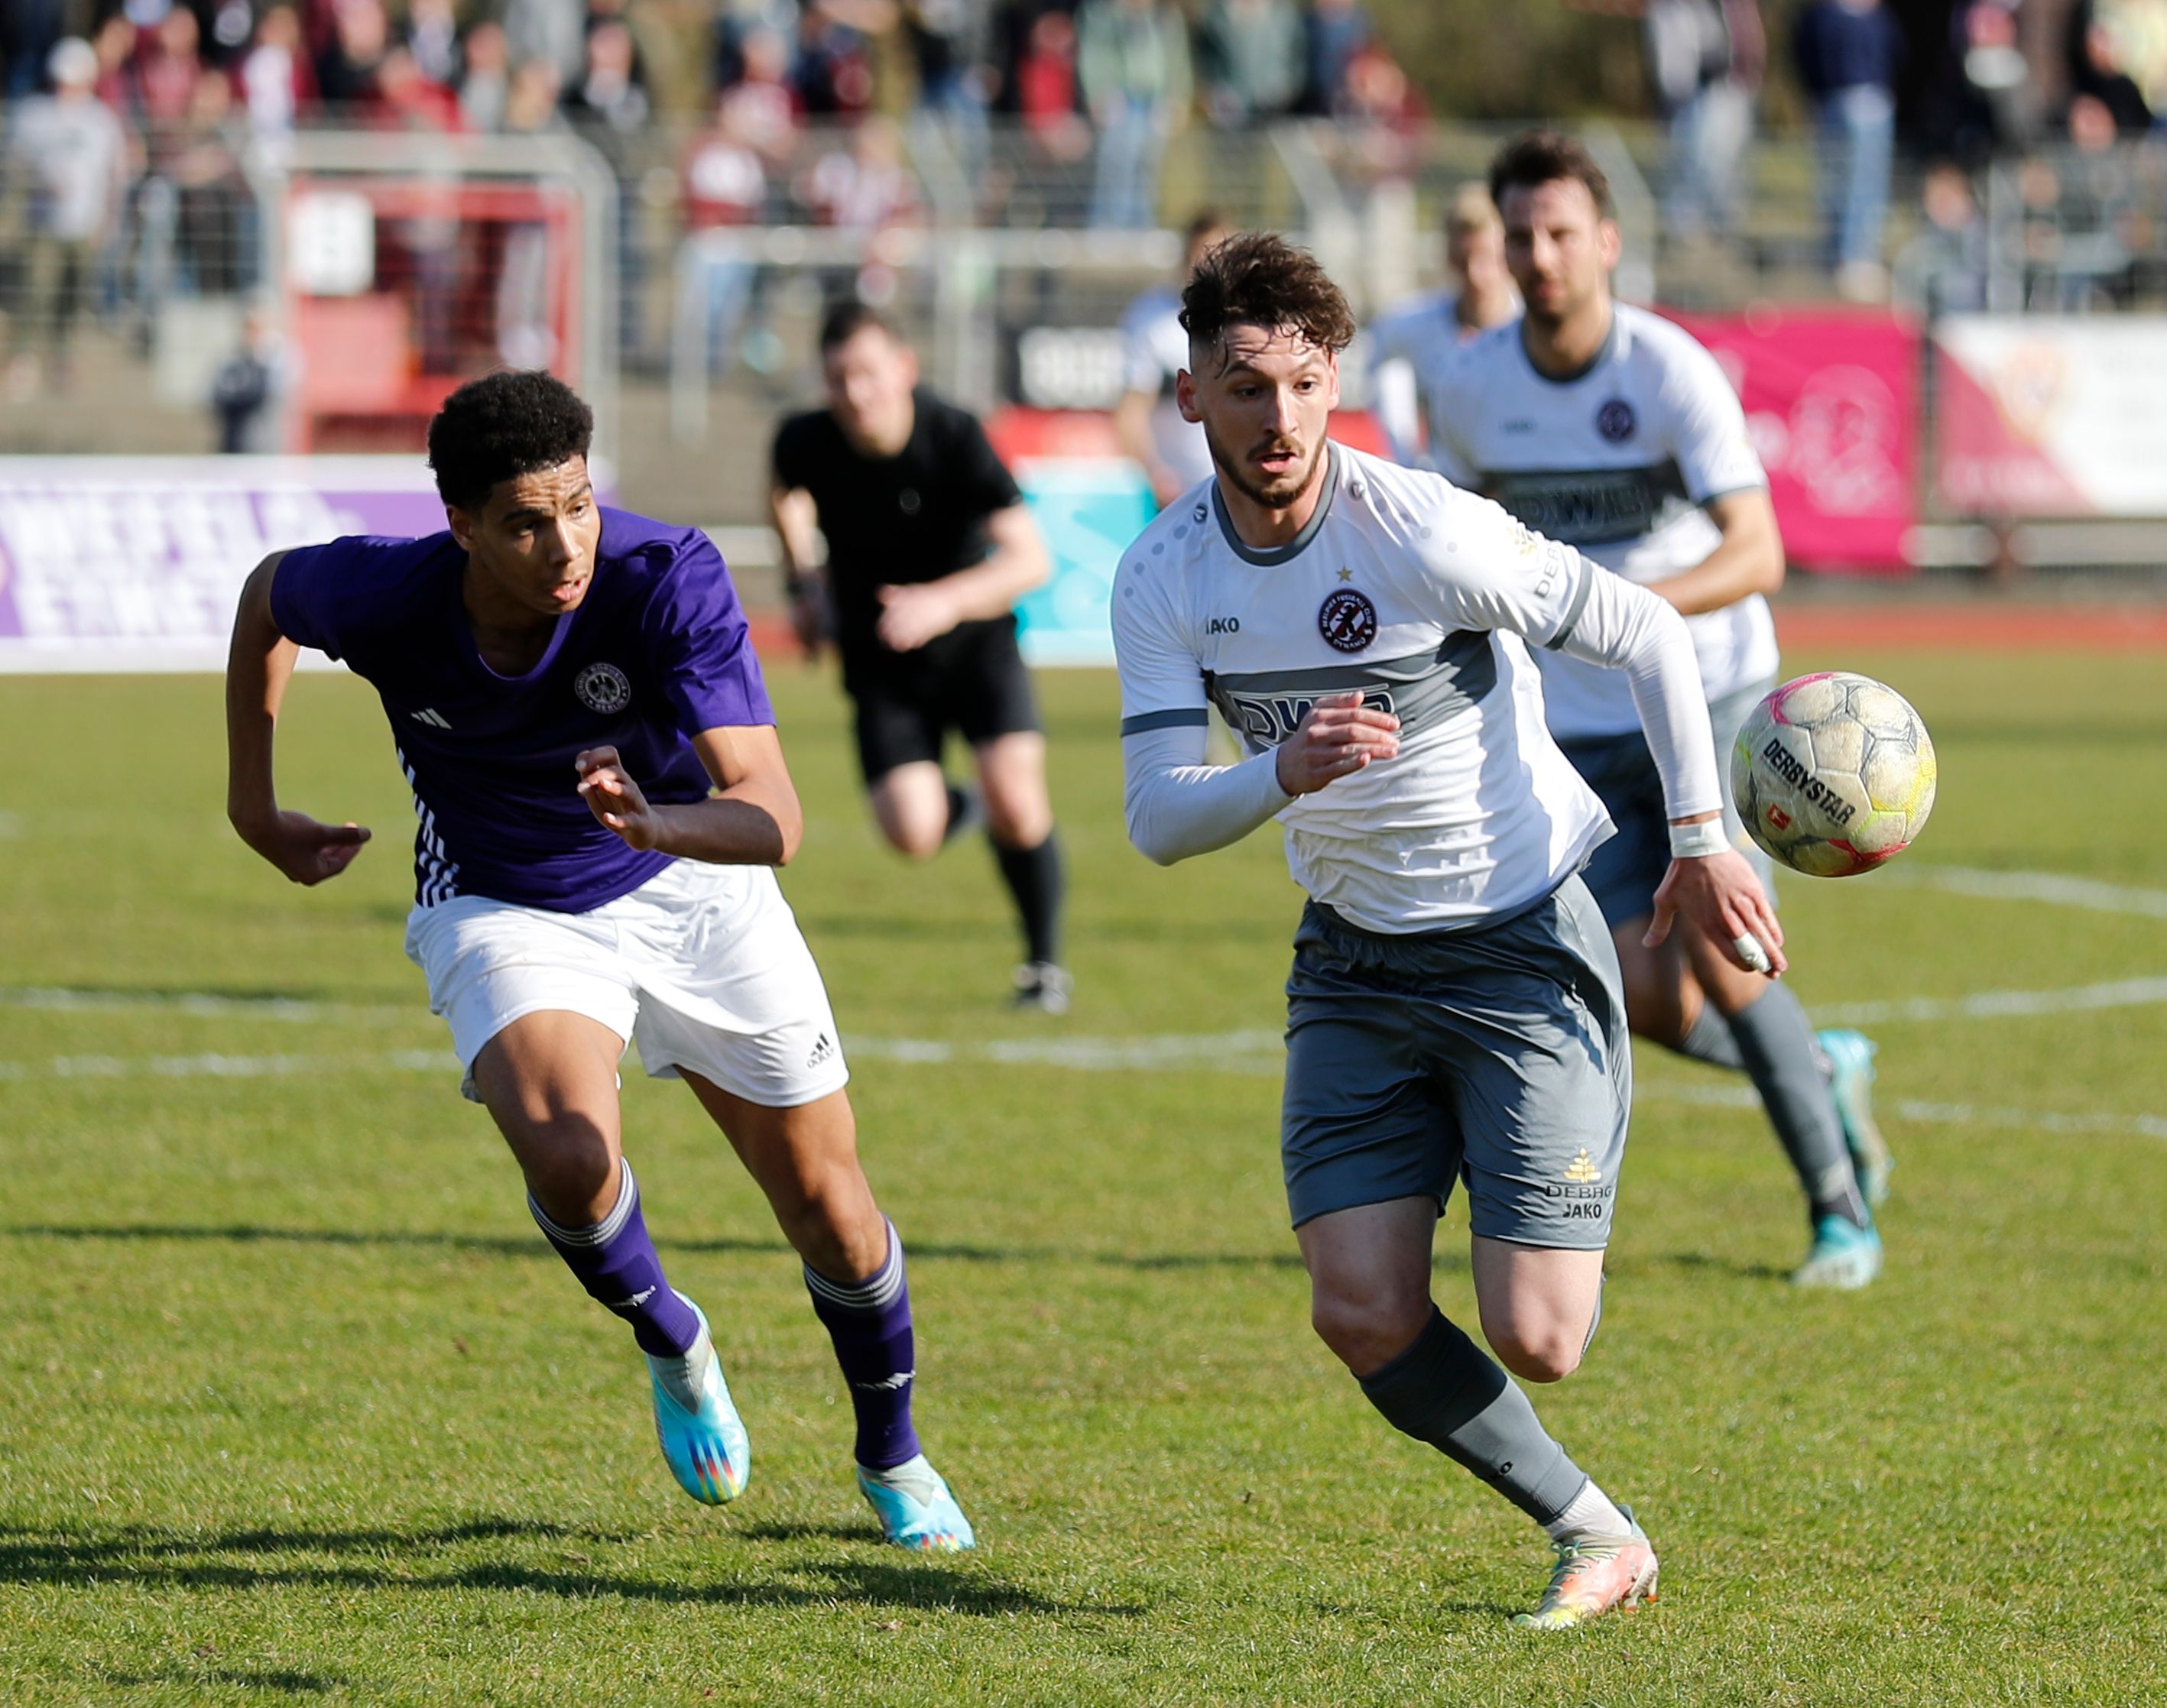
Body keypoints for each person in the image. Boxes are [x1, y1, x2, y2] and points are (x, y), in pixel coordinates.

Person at [1112, 228, 1784, 1629]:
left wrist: (1707, 839)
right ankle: (1598, 1533)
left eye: (1302, 384)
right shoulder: (1163, 576)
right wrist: (1277, 772)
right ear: (1191, 398)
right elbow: (1159, 820)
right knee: (1357, 1309)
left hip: (1520, 946)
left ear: (1337, 382)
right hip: (1352, 964)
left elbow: (1652, 631)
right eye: (1244, 386)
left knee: (1543, 1338)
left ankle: (1567, 1118)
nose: (1278, 417)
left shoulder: (1419, 526)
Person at [222, 370, 975, 1553]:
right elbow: (268, 597)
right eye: (525, 520)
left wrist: (655, 821)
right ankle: (671, 1333)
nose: (563, 541)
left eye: (577, 503)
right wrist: (252, 807)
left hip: (695, 883)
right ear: (460, 523)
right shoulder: (384, 593)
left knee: (833, 1212)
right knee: (571, 1155)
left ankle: (894, 1452)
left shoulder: (662, 574)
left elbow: (773, 813)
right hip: (506, 899)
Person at [1423, 131, 1890, 1289]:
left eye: (1560, 233)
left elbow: (1756, 549)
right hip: (1571, 729)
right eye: (1520, 234)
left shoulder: (1665, 368)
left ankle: (1838, 1209)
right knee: (1627, 985)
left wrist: (1619, 608)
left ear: (1604, 243)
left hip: (1708, 699)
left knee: (1730, 957)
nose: (1539, 255)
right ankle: (1820, 1070)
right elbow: (1456, 554)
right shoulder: (1474, 384)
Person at [770, 303, 1070, 1013]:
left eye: (868, 374)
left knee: (1020, 804)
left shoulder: (955, 433)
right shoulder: (804, 440)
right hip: (882, 658)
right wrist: (805, 589)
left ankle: (1043, 965)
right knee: (911, 832)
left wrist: (943, 601)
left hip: (975, 643)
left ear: (903, 368)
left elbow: (1030, 559)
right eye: (839, 378)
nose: (855, 393)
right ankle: (951, 805)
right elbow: (785, 498)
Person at [1364, 183, 1519, 472]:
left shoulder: (1531, 327)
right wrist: (1406, 460)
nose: (1475, 275)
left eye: (1486, 258)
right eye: (1463, 260)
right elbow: (1383, 363)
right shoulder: (1413, 327)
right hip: (1450, 489)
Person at [1115, 211, 1232, 508]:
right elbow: (1132, 412)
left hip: (1238, 490)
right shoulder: (1152, 320)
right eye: (1203, 255)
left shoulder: (1247, 320)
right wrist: (1156, 474)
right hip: (1180, 494)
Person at [1792, 0, 1904, 300]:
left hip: (1872, 103)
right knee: (1838, 184)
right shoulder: (1824, 15)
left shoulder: (1878, 17)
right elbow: (1806, 56)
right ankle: (1841, 255)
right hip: (1836, 102)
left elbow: (1896, 55)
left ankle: (1856, 256)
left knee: (1865, 184)